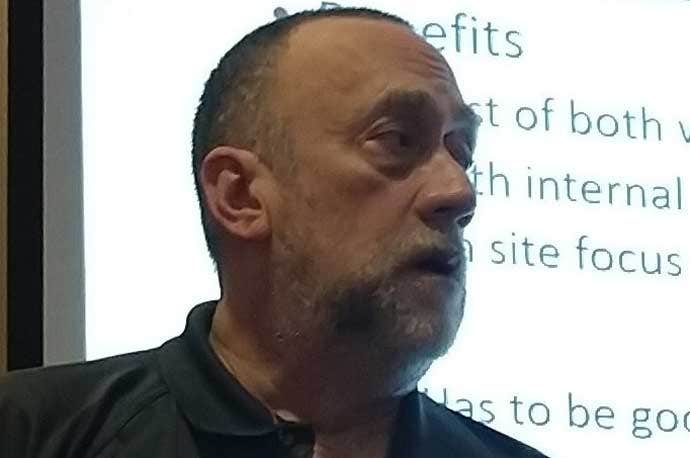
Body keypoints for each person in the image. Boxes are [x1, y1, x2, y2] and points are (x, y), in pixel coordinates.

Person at [0, 7, 548, 458]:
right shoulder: (31, 433)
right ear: (239, 196)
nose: (459, 193)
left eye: (461, 152)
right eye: (397, 140)